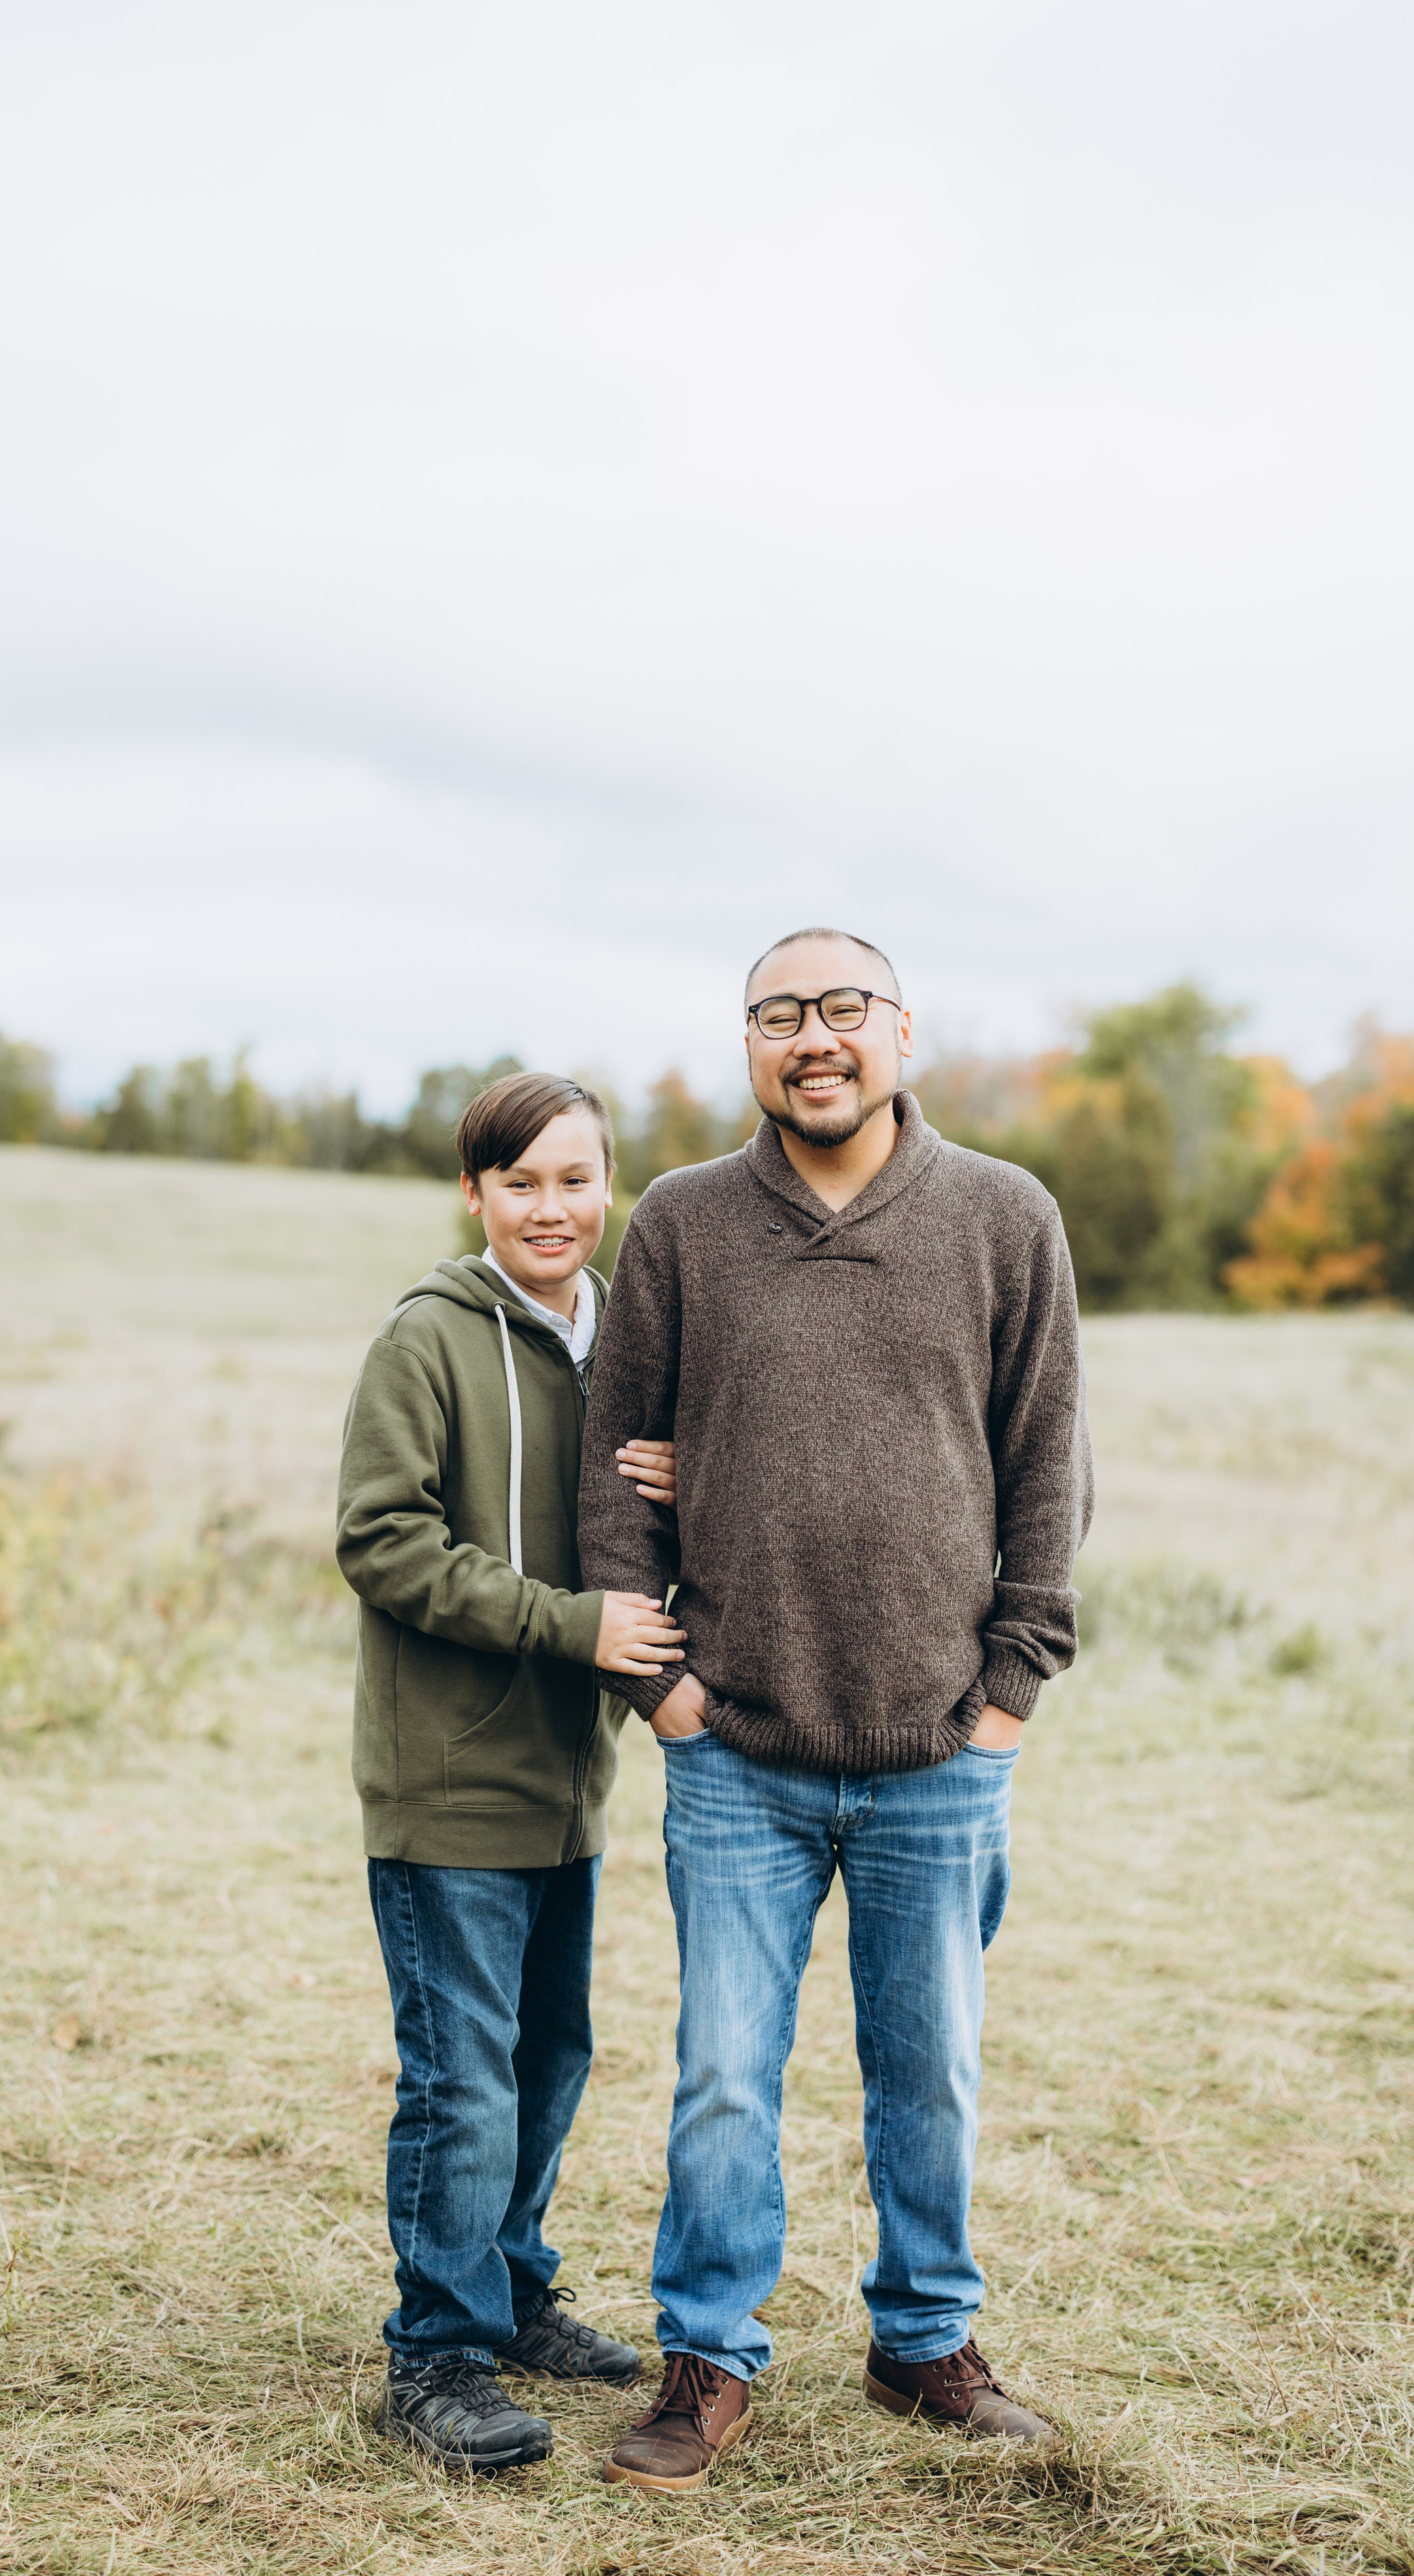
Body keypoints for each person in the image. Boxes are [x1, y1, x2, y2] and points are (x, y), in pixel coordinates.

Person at [578, 928, 1094, 2492]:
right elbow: (615, 1477)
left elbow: (1046, 1469)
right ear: (749, 1046)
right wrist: (664, 1695)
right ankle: (707, 2358)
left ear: (900, 1032)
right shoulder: (677, 1224)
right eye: (777, 1014)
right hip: (732, 1749)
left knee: (926, 2064)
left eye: (841, 1009)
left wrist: (1007, 1695)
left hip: (939, 1750)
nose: (813, 1037)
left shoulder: (1004, 1218)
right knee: (724, 2070)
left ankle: (922, 2339)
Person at [336, 1068, 684, 2475]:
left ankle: (515, 2286)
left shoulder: (615, 1347)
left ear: (610, 1189)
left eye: (575, 1179)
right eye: (521, 1181)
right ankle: (435, 2354)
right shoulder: (426, 1340)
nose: (552, 1207)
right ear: (475, 1195)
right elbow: (380, 1539)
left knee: (548, 2059)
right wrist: (568, 1625)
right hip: (448, 1784)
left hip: (563, 1782)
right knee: (462, 2080)